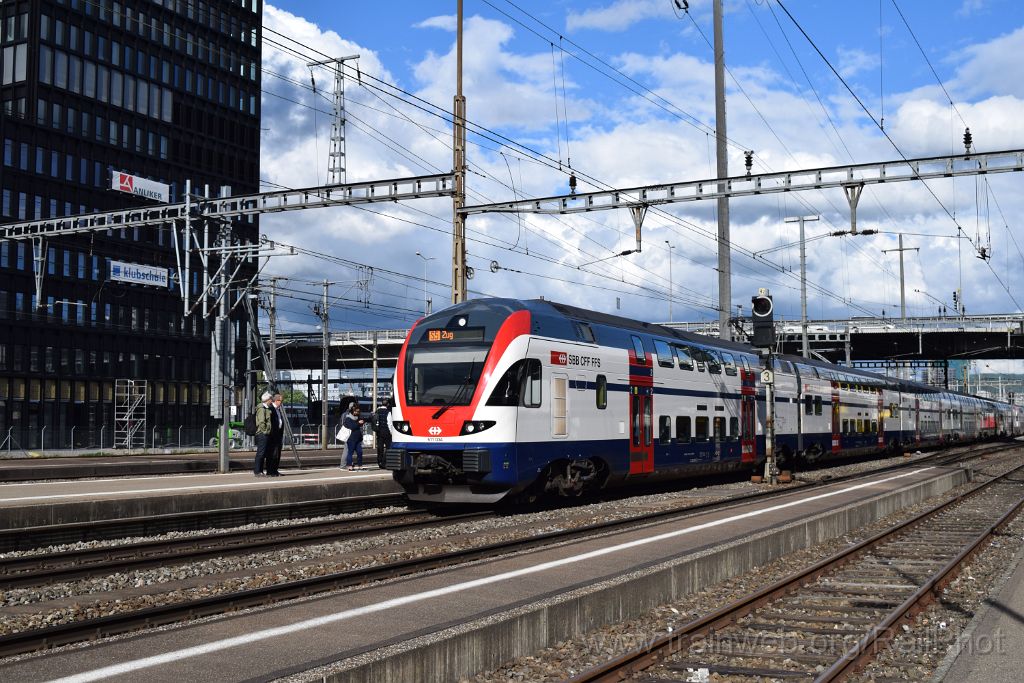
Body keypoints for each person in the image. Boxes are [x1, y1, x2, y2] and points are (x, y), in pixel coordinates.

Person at [253, 392, 273, 477]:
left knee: (263, 452)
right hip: (262, 433)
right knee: (261, 452)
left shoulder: (266, 408)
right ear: (267, 400)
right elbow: (261, 422)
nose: (271, 401)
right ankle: (257, 471)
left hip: (265, 433)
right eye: (271, 399)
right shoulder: (261, 409)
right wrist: (265, 431)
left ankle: (260, 471)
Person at [265, 393, 285, 476]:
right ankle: (270, 471)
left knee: (277, 453)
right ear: (276, 400)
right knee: (271, 453)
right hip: (272, 435)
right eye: (281, 401)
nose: (281, 403)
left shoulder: (278, 409)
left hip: (278, 434)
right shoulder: (271, 409)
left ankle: (275, 470)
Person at [341, 404, 366, 471]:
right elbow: (352, 427)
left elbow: (359, 424)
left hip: (358, 438)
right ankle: (350, 466)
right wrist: (358, 423)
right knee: (350, 452)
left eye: (358, 411)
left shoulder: (358, 418)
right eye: (356, 411)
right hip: (351, 438)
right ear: (352, 411)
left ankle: (360, 465)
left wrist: (361, 422)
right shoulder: (348, 418)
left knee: (360, 452)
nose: (357, 413)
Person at [372, 398, 393, 468]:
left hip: (379, 432)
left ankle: (379, 461)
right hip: (386, 432)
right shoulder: (388, 412)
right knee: (388, 448)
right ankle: (385, 462)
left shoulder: (377, 411)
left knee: (380, 448)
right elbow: (389, 423)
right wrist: (391, 432)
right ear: (387, 404)